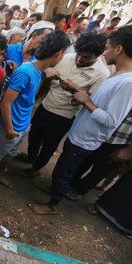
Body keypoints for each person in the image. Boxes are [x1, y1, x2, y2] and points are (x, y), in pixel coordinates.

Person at [29, 26, 132, 215]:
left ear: (119, 49)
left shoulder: (127, 83)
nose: (105, 53)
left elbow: (111, 121)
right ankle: (55, 192)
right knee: (62, 168)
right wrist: (81, 96)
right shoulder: (118, 75)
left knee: (63, 171)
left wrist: (86, 101)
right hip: (80, 132)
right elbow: (98, 103)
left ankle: (52, 206)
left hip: (86, 138)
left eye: (108, 48)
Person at [0, 30, 70, 191]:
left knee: (9, 153)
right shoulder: (25, 72)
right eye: (64, 54)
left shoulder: (38, 72)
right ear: (58, 53)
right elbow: (5, 103)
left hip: (22, 124)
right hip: (10, 125)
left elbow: (28, 100)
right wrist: (10, 129)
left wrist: (26, 124)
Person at [21, 32, 110, 178]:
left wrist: (75, 90)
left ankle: (36, 167)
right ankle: (31, 156)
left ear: (98, 55)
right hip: (46, 105)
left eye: (86, 57)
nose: (80, 60)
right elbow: (44, 70)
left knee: (49, 144)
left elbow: (91, 100)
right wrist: (47, 70)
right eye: (79, 54)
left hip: (64, 116)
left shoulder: (102, 74)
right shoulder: (67, 57)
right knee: (34, 134)